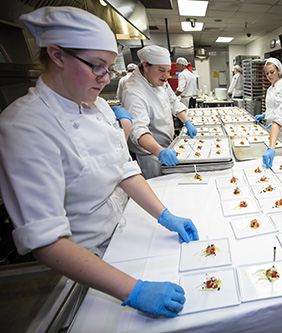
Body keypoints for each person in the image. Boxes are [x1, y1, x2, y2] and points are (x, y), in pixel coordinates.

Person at [0, 7, 199, 318]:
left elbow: (124, 169)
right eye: (96, 67)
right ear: (57, 55)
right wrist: (133, 290)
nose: (106, 78)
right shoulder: (25, 125)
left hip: (125, 235)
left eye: (109, 68)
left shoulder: (101, 107)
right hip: (85, 264)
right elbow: (47, 241)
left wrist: (165, 215)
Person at [121, 45, 197, 179]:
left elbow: (174, 101)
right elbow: (137, 130)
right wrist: (160, 151)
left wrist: (187, 121)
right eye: (162, 70)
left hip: (168, 145)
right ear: (145, 65)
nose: (166, 76)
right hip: (150, 155)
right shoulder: (133, 91)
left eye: (168, 71)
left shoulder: (158, 80)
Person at [254, 58, 282, 145]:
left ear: (279, 71)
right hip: (269, 126)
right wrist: (264, 114)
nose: (269, 76)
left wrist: (278, 122)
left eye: (272, 72)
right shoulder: (269, 89)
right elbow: (270, 108)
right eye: (267, 73)